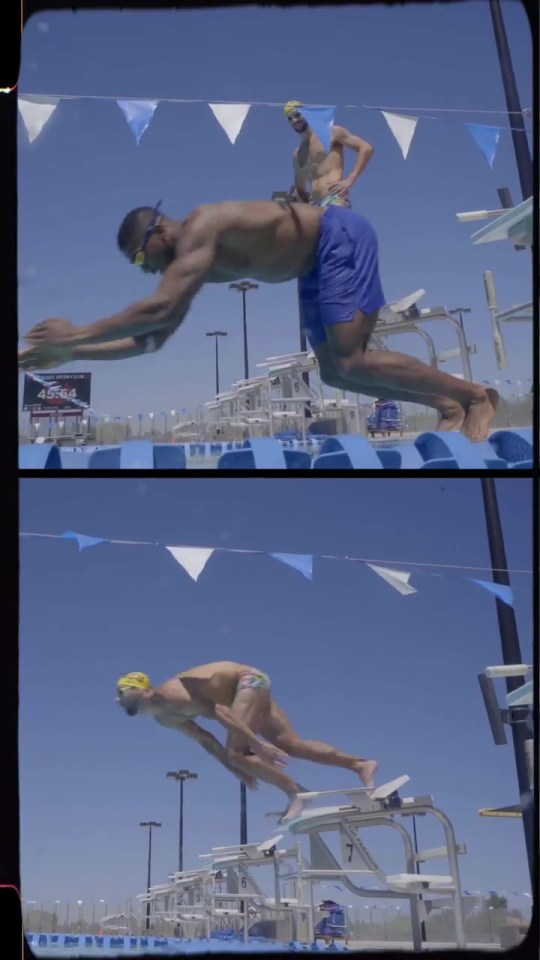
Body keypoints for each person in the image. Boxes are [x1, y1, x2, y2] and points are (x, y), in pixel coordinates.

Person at [19, 198, 498, 440]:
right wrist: (71, 352)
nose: (150, 271)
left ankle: (475, 395)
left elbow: (158, 309)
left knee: (350, 359)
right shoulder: (195, 266)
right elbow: (152, 340)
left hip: (337, 237)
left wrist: (76, 332)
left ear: (160, 229)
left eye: (144, 260)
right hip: (310, 266)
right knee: (333, 370)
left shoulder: (203, 227)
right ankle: (447, 404)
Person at [115, 663, 379, 824]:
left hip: (247, 681)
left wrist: (256, 746)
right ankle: (360, 765)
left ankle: (296, 793)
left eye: (122, 694)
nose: (119, 701)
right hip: (243, 692)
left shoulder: (173, 693)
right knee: (289, 744)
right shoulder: (165, 719)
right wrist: (234, 769)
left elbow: (221, 713)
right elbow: (205, 739)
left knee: (238, 752)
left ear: (141, 689)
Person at [284, 99, 374, 208]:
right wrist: (307, 204)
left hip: (334, 199)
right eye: (290, 119)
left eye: (297, 115)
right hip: (315, 206)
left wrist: (350, 179)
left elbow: (366, 148)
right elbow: (300, 188)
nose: (294, 121)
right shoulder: (297, 153)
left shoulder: (331, 133)